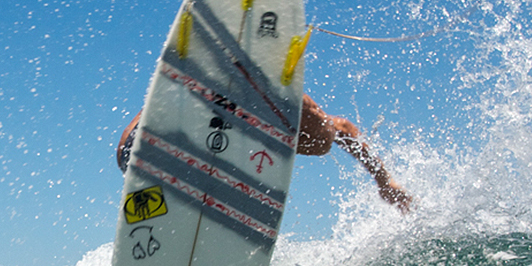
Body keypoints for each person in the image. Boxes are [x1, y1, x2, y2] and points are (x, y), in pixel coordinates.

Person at [116, 94, 413, 212]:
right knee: (326, 138)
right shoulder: (291, 112)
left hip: (143, 145)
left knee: (323, 138)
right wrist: (385, 182)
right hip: (227, 118)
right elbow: (344, 129)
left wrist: (385, 182)